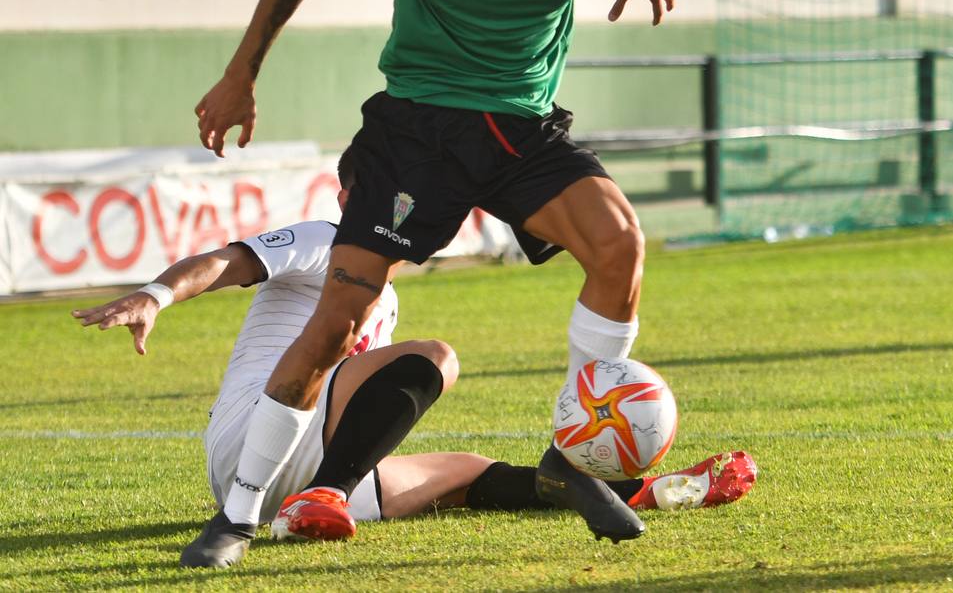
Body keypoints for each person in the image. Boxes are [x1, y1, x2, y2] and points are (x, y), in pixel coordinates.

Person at [188, 0, 684, 567]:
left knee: (619, 243)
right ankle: (239, 515)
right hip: (416, 129)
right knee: (339, 321)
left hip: (518, 127)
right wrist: (240, 76)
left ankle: (572, 451)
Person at [72, 148, 758, 567]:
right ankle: (326, 494)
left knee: (468, 475)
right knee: (432, 360)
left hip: (277, 478)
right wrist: (157, 294)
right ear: (351, 200)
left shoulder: (385, 288)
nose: (409, 208)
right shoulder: (324, 238)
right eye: (392, 195)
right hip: (251, 440)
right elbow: (228, 260)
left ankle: (652, 492)